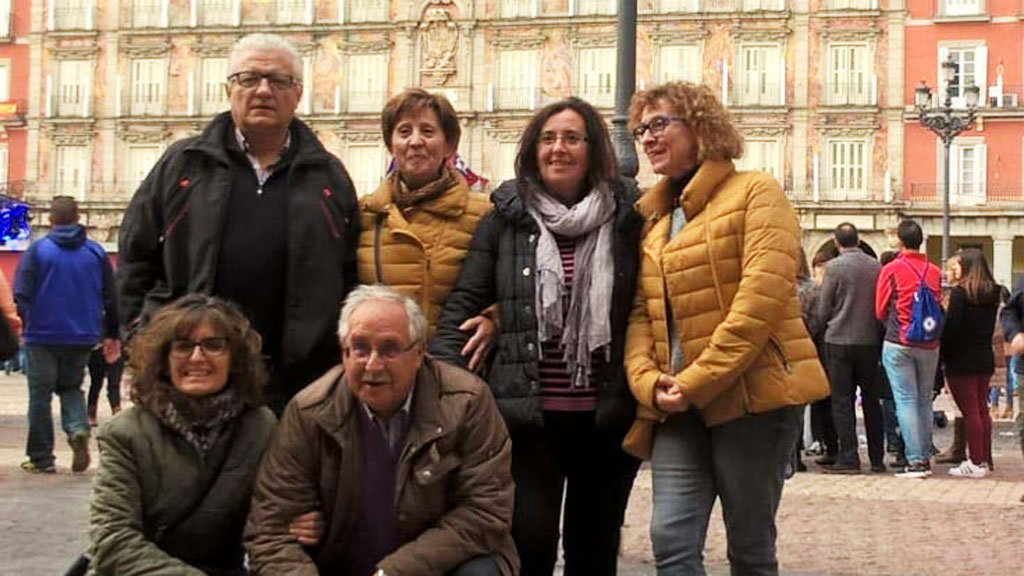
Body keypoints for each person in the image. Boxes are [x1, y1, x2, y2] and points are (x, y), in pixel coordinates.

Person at [430, 97, 644, 576]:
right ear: (532, 150)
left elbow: (646, 305)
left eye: (572, 138)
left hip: (606, 418)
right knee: (530, 544)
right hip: (527, 421)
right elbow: (460, 309)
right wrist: (448, 400)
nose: (558, 149)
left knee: (594, 548)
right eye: (547, 139)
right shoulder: (505, 220)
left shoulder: (629, 220)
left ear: (594, 149)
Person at [623, 81, 828, 575]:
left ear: (700, 127)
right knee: (670, 540)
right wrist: (648, 381)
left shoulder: (757, 192)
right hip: (675, 403)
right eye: (639, 130)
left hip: (752, 398)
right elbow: (638, 314)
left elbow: (760, 300)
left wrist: (697, 381)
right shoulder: (651, 217)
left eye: (659, 124)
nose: (647, 139)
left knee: (750, 548)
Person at [117, 33, 359, 414]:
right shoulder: (183, 165)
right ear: (229, 89)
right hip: (192, 374)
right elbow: (135, 256)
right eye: (249, 79)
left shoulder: (328, 177)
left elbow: (349, 273)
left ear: (298, 93)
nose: (263, 90)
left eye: (278, 81)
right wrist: (141, 339)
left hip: (297, 385)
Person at [245, 285, 517, 576]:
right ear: (344, 352)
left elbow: (484, 512)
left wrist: (394, 572)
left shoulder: (467, 402)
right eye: (360, 348)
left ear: (419, 353)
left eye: (389, 349)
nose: (373, 365)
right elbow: (271, 531)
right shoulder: (309, 412)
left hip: (436, 567)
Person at [89, 294, 276, 574]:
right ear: (164, 359)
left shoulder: (260, 428)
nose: (197, 357)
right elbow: (112, 540)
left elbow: (273, 522)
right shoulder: (125, 434)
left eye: (213, 346)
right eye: (183, 346)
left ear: (234, 358)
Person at [357, 88, 494, 368]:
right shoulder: (365, 214)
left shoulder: (484, 215)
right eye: (404, 131)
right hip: (381, 371)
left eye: (428, 131)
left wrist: (495, 319)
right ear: (391, 144)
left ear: (449, 145)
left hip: (455, 369)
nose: (415, 142)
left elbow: (513, 286)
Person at [14, 196, 120, 474]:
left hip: (42, 334)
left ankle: (42, 458)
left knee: (40, 396)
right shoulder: (95, 252)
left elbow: (21, 294)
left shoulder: (38, 251)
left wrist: (25, 324)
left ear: (50, 219)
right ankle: (77, 429)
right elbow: (111, 297)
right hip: (83, 334)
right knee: (71, 388)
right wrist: (112, 333)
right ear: (78, 218)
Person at [875, 219, 943, 478]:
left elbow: (880, 308)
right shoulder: (935, 271)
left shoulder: (892, 269)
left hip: (899, 340)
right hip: (929, 343)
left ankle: (915, 461)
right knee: (925, 400)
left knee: (905, 400)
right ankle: (925, 454)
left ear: (900, 242)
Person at [816, 223, 884, 474]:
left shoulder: (833, 268)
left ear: (837, 242)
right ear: (858, 240)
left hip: (838, 340)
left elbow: (824, 307)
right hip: (869, 340)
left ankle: (849, 457)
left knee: (842, 401)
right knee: (871, 400)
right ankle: (877, 458)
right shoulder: (875, 266)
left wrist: (819, 328)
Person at [940, 248, 1001, 478]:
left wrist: (943, 353)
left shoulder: (959, 293)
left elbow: (952, 328)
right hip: (984, 356)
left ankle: (975, 461)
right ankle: (983, 457)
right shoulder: (992, 292)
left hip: (961, 358)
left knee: (970, 411)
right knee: (982, 409)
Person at [86, 344, 124, 427]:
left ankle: (116, 412)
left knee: (114, 384)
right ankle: (91, 413)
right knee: (96, 384)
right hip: (97, 349)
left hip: (116, 347)